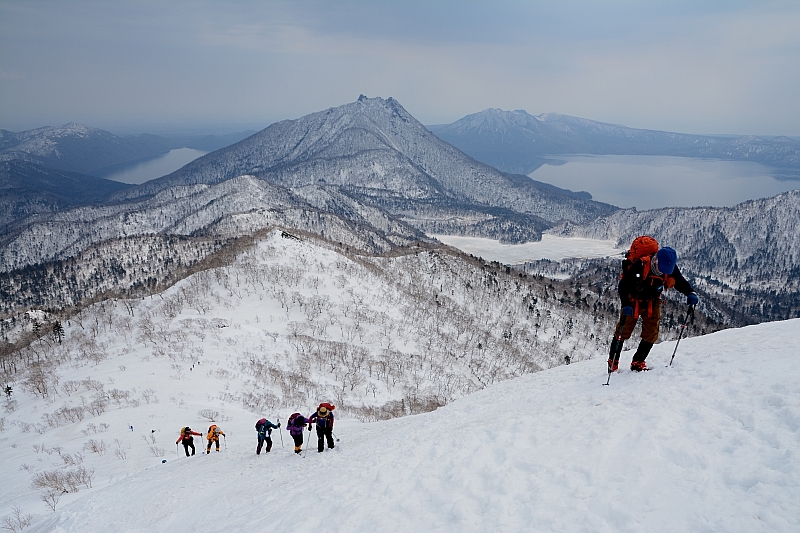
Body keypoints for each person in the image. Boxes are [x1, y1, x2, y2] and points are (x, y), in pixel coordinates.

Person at [610, 243, 699, 372]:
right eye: (661, 268)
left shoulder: (670, 267)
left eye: (666, 270)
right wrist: (626, 304)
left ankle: (638, 362)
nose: (663, 271)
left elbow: (680, 281)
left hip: (652, 301)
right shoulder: (641, 264)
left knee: (651, 334)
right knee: (622, 332)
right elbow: (623, 285)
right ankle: (613, 362)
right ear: (656, 259)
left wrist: (690, 293)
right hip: (632, 301)